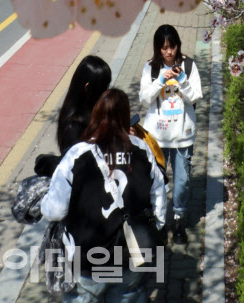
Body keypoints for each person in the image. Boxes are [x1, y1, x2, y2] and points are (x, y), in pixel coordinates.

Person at [41, 88, 167, 303]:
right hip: (132, 252)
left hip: (89, 254)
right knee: (130, 294)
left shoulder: (78, 153)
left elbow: (55, 210)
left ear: (96, 116)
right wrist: (156, 226)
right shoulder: (142, 149)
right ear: (126, 117)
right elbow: (160, 198)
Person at [139, 24, 202, 245]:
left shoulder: (189, 65)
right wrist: (160, 81)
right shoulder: (151, 68)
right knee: (157, 181)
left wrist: (182, 79)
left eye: (172, 47)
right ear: (157, 48)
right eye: (164, 48)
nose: (169, 52)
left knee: (182, 181)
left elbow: (196, 95)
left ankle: (178, 220)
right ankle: (158, 222)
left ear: (177, 45)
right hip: (157, 136)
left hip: (183, 134)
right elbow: (145, 99)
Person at [57, 55, 113, 154]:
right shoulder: (73, 127)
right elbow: (81, 164)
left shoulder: (98, 110)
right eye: (103, 88)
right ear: (87, 88)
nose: (106, 92)